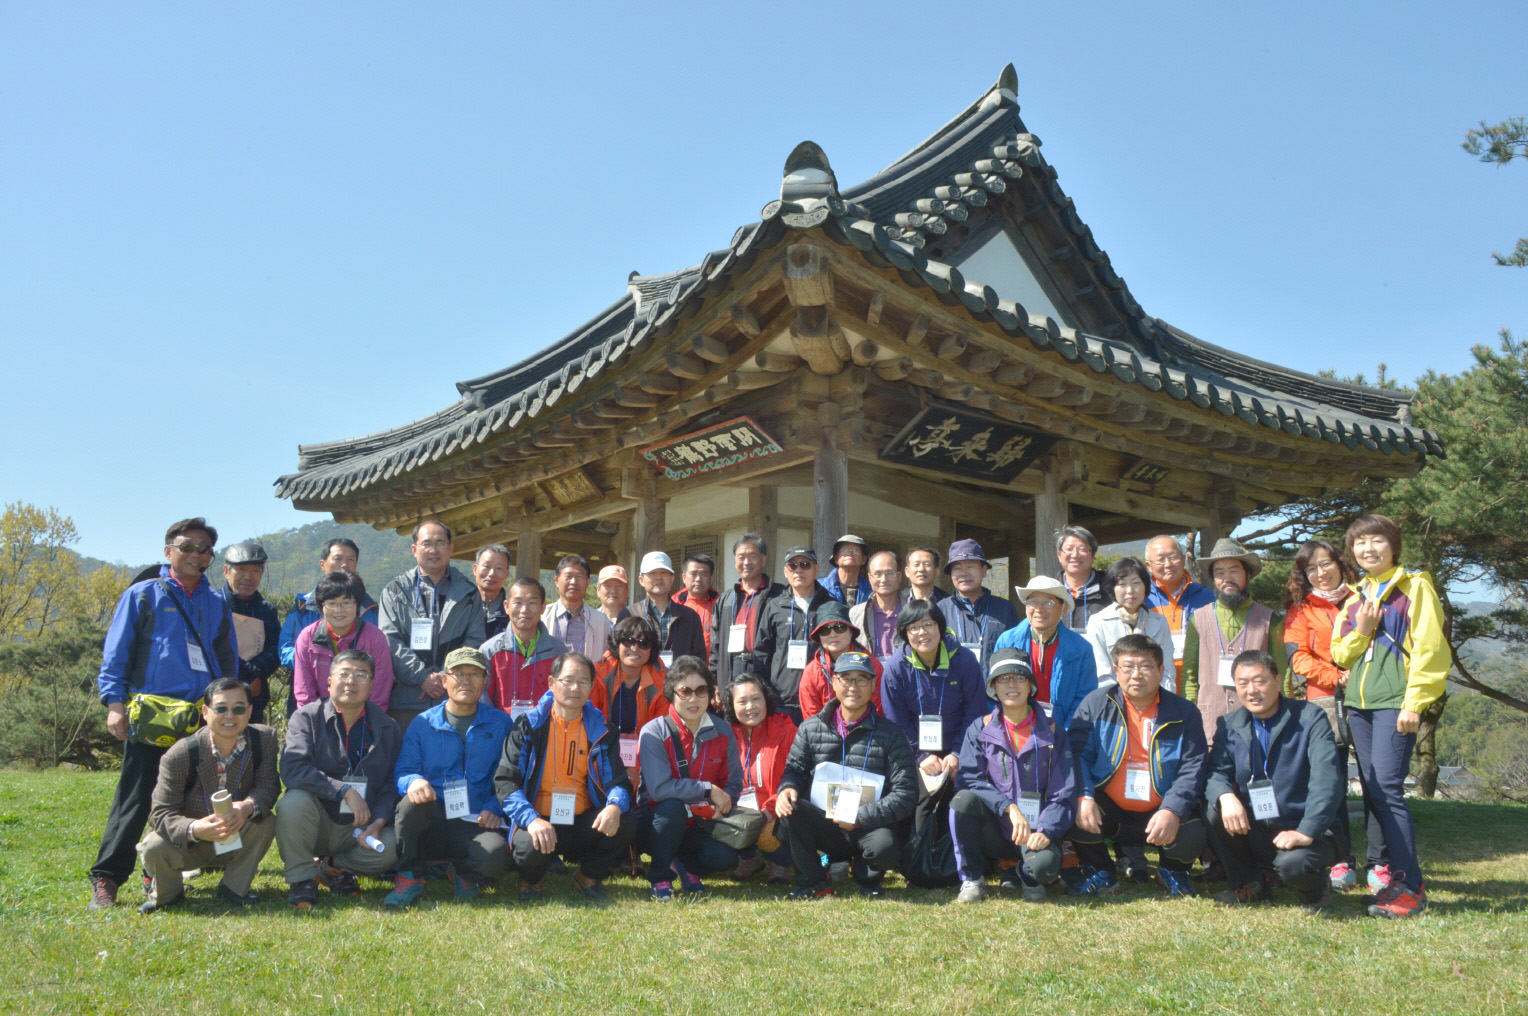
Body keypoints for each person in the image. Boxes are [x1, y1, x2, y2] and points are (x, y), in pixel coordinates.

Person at [89, 517, 238, 910]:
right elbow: (116, 654)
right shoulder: (142, 595)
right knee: (136, 798)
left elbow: (226, 661)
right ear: (168, 550)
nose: (195, 554)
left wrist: (226, 708)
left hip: (198, 717)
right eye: (187, 546)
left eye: (204, 549)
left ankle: (157, 870)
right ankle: (106, 878)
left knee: (188, 799)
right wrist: (114, 705)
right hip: (151, 716)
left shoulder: (215, 603)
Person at [1331, 513, 1448, 919]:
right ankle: (1397, 882)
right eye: (1359, 543)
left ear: (1393, 546)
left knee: (1387, 792)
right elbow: (1340, 653)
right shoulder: (1355, 597)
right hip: (1359, 707)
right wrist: (1362, 628)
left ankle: (1410, 888)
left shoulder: (1415, 588)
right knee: (1374, 790)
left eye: (1377, 540)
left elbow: (1431, 650)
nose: (1368, 549)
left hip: (1395, 704)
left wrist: (1414, 703)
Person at [1067, 634, 1208, 898]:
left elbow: (1193, 767)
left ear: (1161, 670)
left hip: (1160, 807)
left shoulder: (1184, 712)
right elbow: (1077, 755)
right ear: (1116, 670)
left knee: (1192, 822)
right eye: (1128, 667)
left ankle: (1173, 871)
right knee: (1074, 805)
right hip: (1110, 806)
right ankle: (1100, 869)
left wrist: (1172, 808)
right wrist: (1084, 796)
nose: (1136, 675)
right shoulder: (1096, 704)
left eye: (1145, 666)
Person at [1207, 650, 1344, 915]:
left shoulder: (1310, 718)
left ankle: (1315, 891)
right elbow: (1215, 773)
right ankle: (1250, 883)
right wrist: (1226, 797)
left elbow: (1327, 779)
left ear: (1278, 681)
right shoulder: (1230, 725)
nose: (1252, 690)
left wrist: (1307, 830)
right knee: (1214, 809)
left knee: (1294, 865)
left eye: (1260, 681)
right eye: (1243, 683)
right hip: (1258, 826)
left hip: (1306, 826)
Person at [775, 653, 918, 899]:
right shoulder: (810, 728)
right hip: (824, 822)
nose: (853, 686)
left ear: (873, 685)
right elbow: (795, 770)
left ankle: (865, 875)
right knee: (791, 809)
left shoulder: (891, 734)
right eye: (846, 679)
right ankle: (814, 880)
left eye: (862, 679)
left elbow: (906, 794)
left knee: (885, 847)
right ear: (834, 682)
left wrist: (860, 817)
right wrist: (787, 787)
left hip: (867, 825)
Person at [497, 652, 637, 901]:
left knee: (625, 820)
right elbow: (506, 782)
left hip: (582, 820)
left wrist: (614, 806)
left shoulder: (602, 730)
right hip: (538, 818)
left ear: (591, 687)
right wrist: (531, 819)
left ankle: (587, 875)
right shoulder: (527, 726)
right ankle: (532, 879)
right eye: (568, 680)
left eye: (583, 682)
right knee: (529, 849)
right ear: (552, 683)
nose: (575, 688)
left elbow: (618, 782)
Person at [138, 677, 279, 913]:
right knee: (154, 845)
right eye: (221, 708)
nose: (230, 716)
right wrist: (195, 829)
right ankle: (168, 895)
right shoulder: (180, 755)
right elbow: (160, 814)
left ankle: (234, 889)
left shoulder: (264, 739)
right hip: (188, 844)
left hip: (234, 835)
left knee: (266, 822)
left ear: (249, 711)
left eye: (238, 709)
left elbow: (268, 786)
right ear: (205, 712)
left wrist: (246, 807)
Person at [387, 647, 513, 905]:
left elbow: (510, 775)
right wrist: (414, 781)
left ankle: (462, 872)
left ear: (485, 681)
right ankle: (410, 875)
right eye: (458, 674)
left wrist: (494, 807)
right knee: (410, 804)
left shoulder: (501, 724)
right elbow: (403, 771)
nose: (466, 680)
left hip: (475, 821)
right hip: (432, 817)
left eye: (474, 674)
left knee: (495, 857)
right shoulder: (422, 723)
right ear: (444, 680)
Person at [277, 649, 403, 909]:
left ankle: (333, 867)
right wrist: (344, 790)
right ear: (329, 680)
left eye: (361, 675)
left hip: (358, 826)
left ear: (372, 683)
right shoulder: (306, 718)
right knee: (293, 802)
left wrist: (378, 823)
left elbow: (391, 784)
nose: (351, 681)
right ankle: (302, 879)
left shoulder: (387, 727)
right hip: (316, 820)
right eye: (344, 673)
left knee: (391, 847)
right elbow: (292, 768)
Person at [950, 649, 1078, 903]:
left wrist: (1047, 830)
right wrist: (1008, 807)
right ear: (993, 688)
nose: (1012, 684)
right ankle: (972, 878)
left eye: (1019, 678)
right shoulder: (980, 728)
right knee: (962, 801)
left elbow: (1064, 791)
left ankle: (1025, 872)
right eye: (1003, 679)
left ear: (1031, 686)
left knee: (1043, 868)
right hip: (996, 829)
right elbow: (969, 778)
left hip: (1035, 829)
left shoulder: (1053, 731)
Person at [1284, 538, 1369, 891]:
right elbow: (1298, 659)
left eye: (1326, 563)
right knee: (1331, 783)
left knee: (1376, 781)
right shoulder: (1300, 611)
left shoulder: (1364, 598)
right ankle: (1341, 860)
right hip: (1323, 704)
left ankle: (1381, 862)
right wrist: (1336, 676)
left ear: (1340, 563)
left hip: (1370, 697)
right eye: (1311, 568)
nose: (1320, 573)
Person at [635, 656, 741, 900]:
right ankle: (660, 876)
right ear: (671, 694)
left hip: (700, 823)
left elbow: (733, 783)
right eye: (685, 691)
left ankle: (683, 864)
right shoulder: (654, 732)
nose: (693, 699)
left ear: (710, 693)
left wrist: (723, 803)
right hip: (657, 823)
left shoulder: (723, 730)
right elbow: (660, 789)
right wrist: (708, 789)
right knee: (672, 808)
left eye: (701, 690)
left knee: (725, 858)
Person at [880, 599, 987, 830]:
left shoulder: (965, 660)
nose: (922, 632)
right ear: (905, 634)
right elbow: (896, 720)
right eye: (914, 627)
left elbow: (975, 712)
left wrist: (958, 752)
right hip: (915, 751)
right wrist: (921, 756)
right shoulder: (896, 667)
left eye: (928, 624)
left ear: (940, 626)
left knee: (962, 805)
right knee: (921, 806)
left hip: (960, 747)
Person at [379, 520, 487, 732]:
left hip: (453, 698)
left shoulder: (468, 593)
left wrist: (446, 677)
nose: (433, 550)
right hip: (406, 700)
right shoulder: (394, 591)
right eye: (427, 543)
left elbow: (474, 641)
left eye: (440, 543)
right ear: (414, 549)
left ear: (450, 548)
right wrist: (422, 677)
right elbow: (390, 641)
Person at [1180, 538, 1290, 745]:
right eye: (1219, 572)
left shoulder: (1270, 620)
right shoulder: (1198, 619)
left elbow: (1282, 675)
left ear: (1248, 574)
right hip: (1208, 724)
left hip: (1259, 724)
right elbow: (1189, 675)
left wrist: (1285, 717)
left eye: (1234, 570)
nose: (1227, 578)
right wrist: (1188, 718)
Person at [994, 576, 1099, 730]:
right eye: (1032, 602)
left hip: (1063, 731)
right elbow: (996, 689)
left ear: (1063, 608)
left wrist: (1063, 733)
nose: (1039, 609)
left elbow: (1084, 699)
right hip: (1015, 729)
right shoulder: (1007, 641)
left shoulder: (1081, 649)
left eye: (1048, 602)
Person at [724, 671, 799, 883]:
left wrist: (767, 812)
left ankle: (781, 862)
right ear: (731, 706)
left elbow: (794, 779)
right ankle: (749, 858)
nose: (750, 706)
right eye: (742, 701)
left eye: (756, 699)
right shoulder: (726, 735)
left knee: (769, 832)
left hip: (776, 810)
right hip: (740, 810)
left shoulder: (786, 731)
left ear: (767, 699)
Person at [748, 545, 833, 722]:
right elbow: (761, 652)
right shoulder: (774, 606)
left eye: (805, 564)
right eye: (792, 565)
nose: (799, 570)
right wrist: (765, 692)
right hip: (782, 700)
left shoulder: (830, 605)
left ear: (817, 569)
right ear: (785, 572)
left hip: (822, 698)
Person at [291, 571, 395, 710]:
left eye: (346, 603)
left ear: (357, 605)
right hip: (319, 719)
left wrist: (365, 721)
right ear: (321, 606)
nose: (338, 610)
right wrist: (317, 721)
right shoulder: (307, 638)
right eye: (332, 603)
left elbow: (379, 694)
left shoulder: (375, 639)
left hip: (364, 718)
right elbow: (304, 694)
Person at [590, 616, 670, 787]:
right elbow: (590, 725)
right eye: (628, 641)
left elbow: (659, 735)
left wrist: (637, 767)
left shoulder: (663, 681)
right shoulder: (597, 674)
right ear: (617, 643)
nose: (635, 648)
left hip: (645, 758)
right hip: (601, 753)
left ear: (651, 649)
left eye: (643, 643)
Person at [279, 537, 376, 672]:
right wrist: (315, 662)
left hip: (357, 680)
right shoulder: (304, 606)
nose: (344, 565)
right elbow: (286, 648)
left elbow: (379, 650)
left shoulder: (369, 608)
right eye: (338, 559)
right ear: (322, 564)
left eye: (350, 559)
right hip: (311, 678)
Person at [709, 534, 784, 697]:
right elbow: (716, 644)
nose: (746, 562)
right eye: (741, 557)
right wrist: (714, 681)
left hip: (765, 671)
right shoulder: (726, 599)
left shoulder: (779, 596)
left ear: (763, 560)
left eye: (752, 556)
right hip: (730, 670)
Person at [482, 577, 567, 719]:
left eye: (532, 603)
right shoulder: (490, 650)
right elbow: (483, 699)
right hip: (502, 728)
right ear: (506, 606)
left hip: (545, 728)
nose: (524, 610)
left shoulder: (558, 651)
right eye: (518, 602)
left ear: (543, 607)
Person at [1086, 556, 1176, 692]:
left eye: (1136, 583)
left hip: (1156, 699)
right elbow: (1102, 675)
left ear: (1145, 586)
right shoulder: (1098, 622)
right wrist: (1118, 701)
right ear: (1112, 588)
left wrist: (1161, 700)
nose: (1130, 590)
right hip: (1115, 700)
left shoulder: (1159, 621)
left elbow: (1167, 671)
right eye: (1122, 584)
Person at [1143, 535, 1214, 689]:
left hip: (1198, 683)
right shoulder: (1142, 600)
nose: (1168, 564)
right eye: (1160, 559)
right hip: (1155, 685)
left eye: (1173, 557)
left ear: (1183, 559)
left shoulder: (1206, 597)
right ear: (1148, 565)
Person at [221, 541, 280, 725]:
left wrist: (256, 675)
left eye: (256, 570)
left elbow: (275, 648)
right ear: (226, 571)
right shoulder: (213, 605)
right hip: (217, 694)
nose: (249, 576)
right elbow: (212, 647)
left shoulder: (267, 610)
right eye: (241, 569)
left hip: (254, 698)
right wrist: (247, 675)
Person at [941, 538, 1021, 671]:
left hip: (993, 683)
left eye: (970, 566)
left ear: (984, 570)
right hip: (953, 684)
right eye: (957, 568)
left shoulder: (1005, 609)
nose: (964, 573)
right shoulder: (940, 610)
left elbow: (1014, 653)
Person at [798, 602, 885, 720]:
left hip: (867, 729)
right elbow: (812, 720)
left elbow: (877, 711)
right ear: (820, 637)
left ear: (851, 632)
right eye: (825, 630)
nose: (833, 634)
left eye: (840, 627)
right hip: (824, 731)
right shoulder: (811, 673)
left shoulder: (872, 666)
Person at [619, 551, 706, 666]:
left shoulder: (690, 616)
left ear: (672, 578)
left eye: (663, 572)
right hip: (641, 677)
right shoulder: (628, 614)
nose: (658, 577)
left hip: (679, 677)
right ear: (641, 580)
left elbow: (698, 660)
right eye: (652, 573)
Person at [544, 554, 612, 663]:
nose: (573, 582)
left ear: (588, 582)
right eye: (568, 576)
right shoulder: (542, 616)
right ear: (556, 581)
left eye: (579, 577)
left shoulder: (601, 621)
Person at [1056, 525, 1113, 632]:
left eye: (1082, 549)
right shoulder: (1050, 592)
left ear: (1093, 555)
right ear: (1059, 555)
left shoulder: (1111, 590)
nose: (1075, 555)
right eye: (1069, 549)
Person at [850, 550, 903, 661]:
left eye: (889, 573)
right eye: (878, 574)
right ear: (869, 578)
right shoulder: (856, 614)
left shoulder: (912, 613)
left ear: (899, 576)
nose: (884, 579)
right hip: (869, 671)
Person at [673, 553, 719, 658]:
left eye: (704, 574)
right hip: (680, 666)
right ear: (684, 578)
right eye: (693, 574)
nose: (698, 579)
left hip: (711, 666)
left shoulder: (721, 606)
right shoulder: (673, 605)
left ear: (711, 578)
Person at [819, 534, 871, 607]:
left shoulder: (872, 590)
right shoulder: (819, 586)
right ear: (836, 558)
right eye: (845, 549)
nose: (850, 553)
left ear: (864, 560)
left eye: (856, 550)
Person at [473, 543, 512, 640]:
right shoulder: (461, 604)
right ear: (475, 569)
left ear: (507, 573)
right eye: (487, 566)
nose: (491, 574)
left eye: (499, 568)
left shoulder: (513, 610)